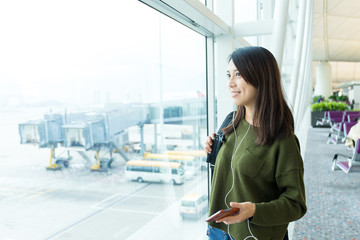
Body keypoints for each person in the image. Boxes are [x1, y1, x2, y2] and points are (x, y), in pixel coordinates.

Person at [204, 46, 307, 240]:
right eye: (228, 75)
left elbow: (296, 204)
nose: (230, 83)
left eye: (239, 74)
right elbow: (229, 169)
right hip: (218, 230)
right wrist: (212, 150)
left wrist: (254, 211)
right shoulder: (230, 121)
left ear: (261, 77)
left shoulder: (283, 141)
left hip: (252, 235)